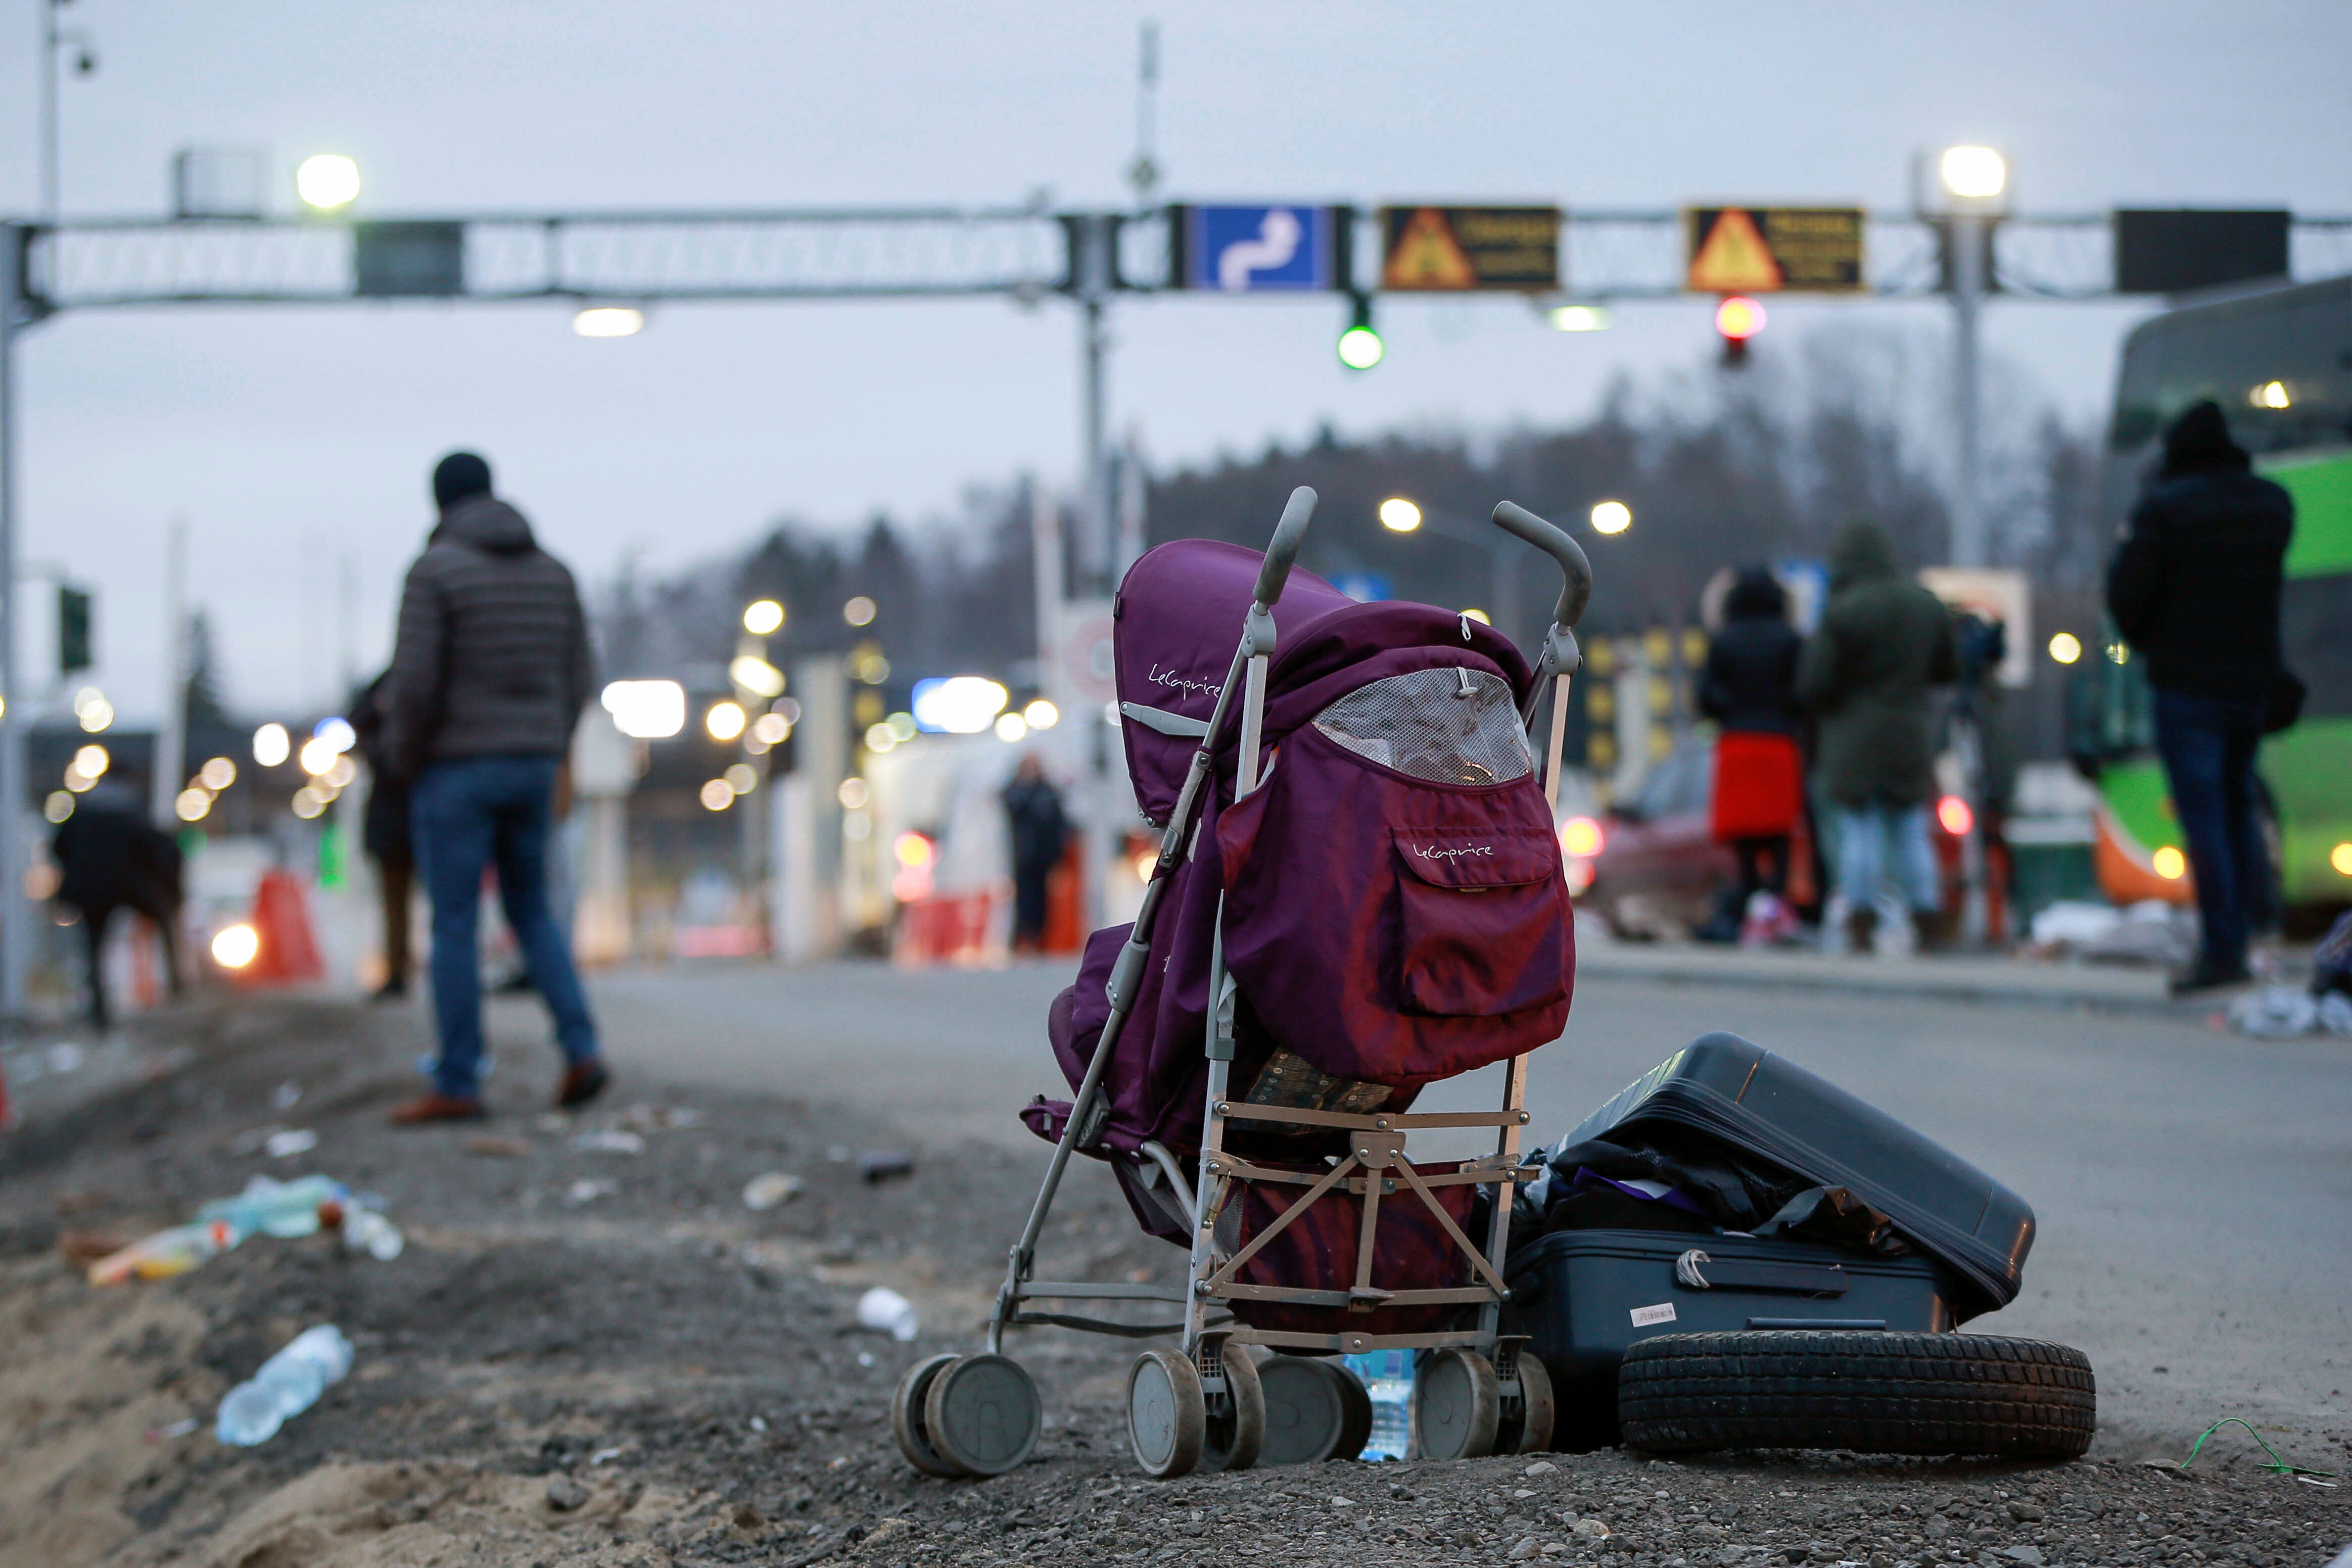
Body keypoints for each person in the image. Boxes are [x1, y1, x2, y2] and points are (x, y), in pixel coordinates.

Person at [381, 451, 608, 1123]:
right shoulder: (553, 572)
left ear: (437, 501)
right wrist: (549, 741)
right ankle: (582, 1048)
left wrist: (406, 755)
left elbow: (415, 681)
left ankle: (458, 1078)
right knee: (533, 910)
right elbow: (580, 673)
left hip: (456, 766)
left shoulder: (435, 571)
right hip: (533, 761)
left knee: (454, 922)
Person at [2106, 400, 2293, 995]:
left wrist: (2151, 641)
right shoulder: (2271, 505)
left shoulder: (2165, 509)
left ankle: (2222, 949)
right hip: (2252, 681)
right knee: (2241, 804)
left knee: (2204, 815)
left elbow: (2126, 595)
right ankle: (2256, 923)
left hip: (2187, 683)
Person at [1797, 521, 1959, 954]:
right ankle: (1928, 918)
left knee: (1859, 829)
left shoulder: (1843, 610)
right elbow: (1948, 668)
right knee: (1910, 827)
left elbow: (1815, 683)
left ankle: (1861, 923)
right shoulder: (1924, 606)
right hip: (1911, 729)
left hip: (1855, 735)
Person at [1695, 566, 1805, 944]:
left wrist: (1731, 710)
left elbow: (1705, 697)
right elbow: (1804, 692)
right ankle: (1777, 903)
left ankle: (1749, 899)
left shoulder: (1724, 640)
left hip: (1738, 741)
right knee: (1779, 831)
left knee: (1743, 835)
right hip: (1779, 742)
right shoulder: (1791, 639)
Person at [51, 772, 183, 1028]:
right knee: (166, 922)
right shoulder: (130, 815)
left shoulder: (81, 816)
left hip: (91, 892)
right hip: (130, 886)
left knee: (93, 953)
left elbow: (58, 848)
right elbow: (159, 850)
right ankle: (178, 986)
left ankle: (99, 1014)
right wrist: (167, 888)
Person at [350, 670, 415, 1002]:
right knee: (397, 902)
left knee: (401, 904)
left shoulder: (387, 694)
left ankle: (400, 971)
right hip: (405, 815)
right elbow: (356, 717)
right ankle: (399, 969)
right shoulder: (387, 688)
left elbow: (357, 718)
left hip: (413, 812)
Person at [1001, 754, 1068, 955]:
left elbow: (1058, 823)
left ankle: (1039, 939)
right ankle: (1023, 939)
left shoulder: (1048, 792)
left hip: (1043, 856)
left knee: (1042, 900)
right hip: (1023, 856)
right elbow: (1011, 806)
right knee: (1023, 899)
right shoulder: (1017, 791)